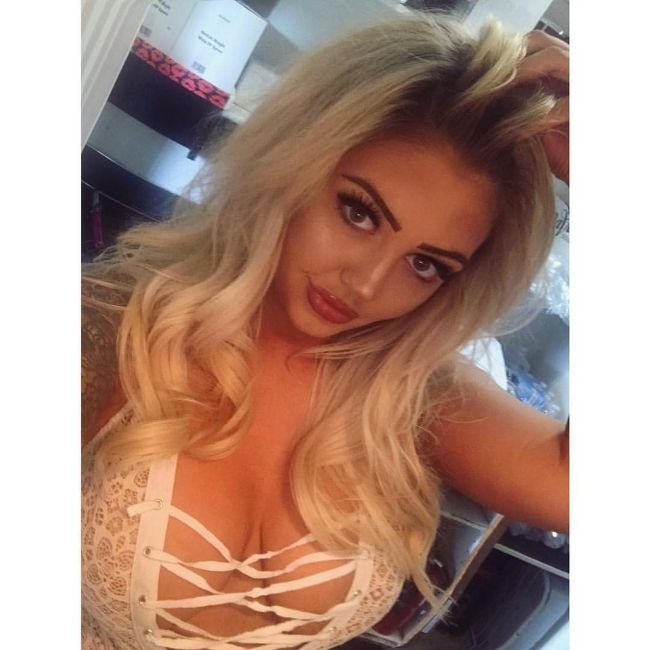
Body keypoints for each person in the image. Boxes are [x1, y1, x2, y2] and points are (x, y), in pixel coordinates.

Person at [81, 12, 569, 650]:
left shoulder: (411, 392)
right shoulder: (108, 332)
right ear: (296, 160)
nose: (366, 284)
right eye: (359, 213)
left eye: (426, 265)